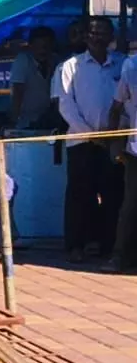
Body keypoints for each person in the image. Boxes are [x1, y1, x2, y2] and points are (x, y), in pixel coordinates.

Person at [53, 15, 124, 262]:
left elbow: (126, 102)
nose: (97, 37)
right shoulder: (69, 66)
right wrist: (90, 134)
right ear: (85, 37)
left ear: (111, 36)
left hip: (114, 140)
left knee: (113, 194)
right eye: (93, 33)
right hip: (81, 141)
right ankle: (76, 245)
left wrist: (112, 134)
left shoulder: (122, 64)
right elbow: (65, 105)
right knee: (80, 195)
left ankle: (108, 246)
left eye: (102, 32)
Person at [107, 51, 137, 271]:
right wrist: (113, 142)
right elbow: (116, 108)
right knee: (130, 206)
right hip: (135, 151)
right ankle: (120, 256)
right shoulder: (132, 66)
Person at [10, 27, 58, 129]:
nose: (43, 50)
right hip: (26, 122)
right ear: (31, 46)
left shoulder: (55, 60)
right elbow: (17, 91)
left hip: (49, 120)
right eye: (38, 46)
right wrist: (13, 121)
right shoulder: (23, 60)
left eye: (46, 46)